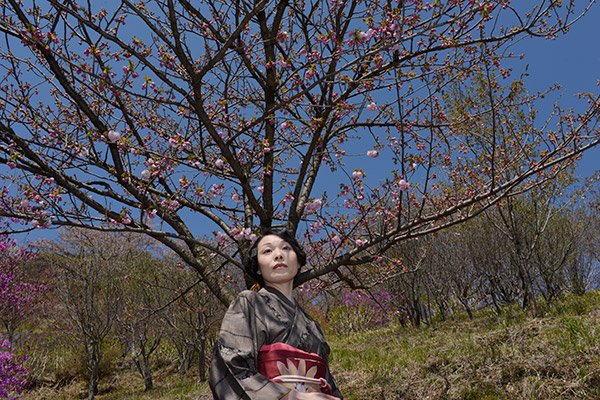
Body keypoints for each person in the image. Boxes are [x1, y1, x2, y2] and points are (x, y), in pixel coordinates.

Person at [209, 230, 343, 400]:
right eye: (267, 251)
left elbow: (329, 382)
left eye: (286, 248)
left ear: (299, 262)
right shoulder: (249, 302)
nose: (279, 255)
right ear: (258, 267)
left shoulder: (313, 326)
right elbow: (230, 366)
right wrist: (291, 397)